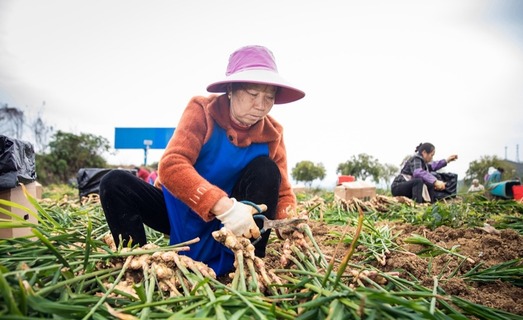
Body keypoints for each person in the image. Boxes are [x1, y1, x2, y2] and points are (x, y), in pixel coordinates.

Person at [99, 45, 305, 276]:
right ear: (230, 89)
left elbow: (283, 192)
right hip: (182, 211)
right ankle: (138, 267)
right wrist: (223, 207)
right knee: (114, 183)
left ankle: (247, 268)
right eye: (253, 94)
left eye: (269, 97)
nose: (261, 106)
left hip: (238, 224)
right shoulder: (203, 111)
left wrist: (289, 222)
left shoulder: (272, 133)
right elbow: (172, 164)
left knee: (267, 170)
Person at [391, 142, 458, 203]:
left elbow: (433, 166)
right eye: (431, 155)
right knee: (418, 181)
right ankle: (417, 206)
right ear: (424, 153)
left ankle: (431, 204)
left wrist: (446, 160)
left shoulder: (424, 164)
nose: (432, 158)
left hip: (408, 188)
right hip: (398, 187)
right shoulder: (416, 159)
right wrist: (435, 181)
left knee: (430, 184)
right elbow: (418, 172)